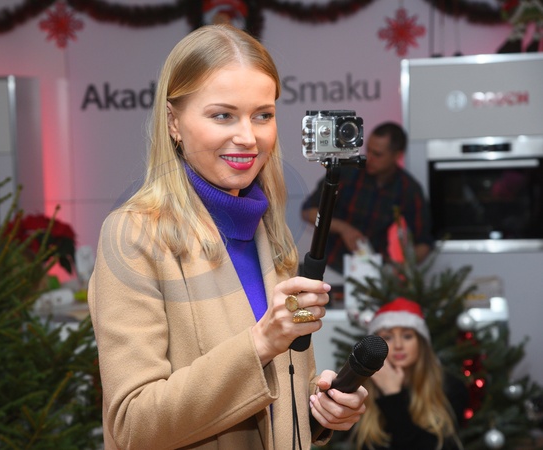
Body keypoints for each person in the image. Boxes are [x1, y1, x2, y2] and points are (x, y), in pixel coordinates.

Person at [88, 24, 368, 449]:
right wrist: (260, 343)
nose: (248, 137)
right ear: (174, 122)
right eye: (223, 115)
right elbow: (133, 425)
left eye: (263, 115)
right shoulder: (134, 235)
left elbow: (277, 401)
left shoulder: (271, 233)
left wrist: (321, 409)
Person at [300, 122, 433, 275]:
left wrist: (401, 267)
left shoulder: (409, 189)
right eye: (368, 150)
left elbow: (424, 242)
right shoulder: (347, 172)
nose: (369, 158)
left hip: (379, 275)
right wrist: (343, 228)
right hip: (332, 267)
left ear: (397, 156)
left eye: (377, 154)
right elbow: (308, 211)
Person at [352, 298, 467, 450]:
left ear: (421, 342)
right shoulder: (361, 389)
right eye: (388, 337)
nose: (398, 345)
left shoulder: (450, 387)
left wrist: (392, 395)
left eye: (407, 336)